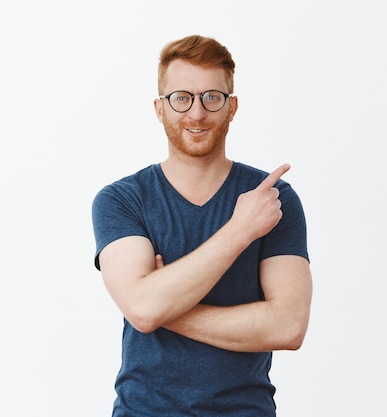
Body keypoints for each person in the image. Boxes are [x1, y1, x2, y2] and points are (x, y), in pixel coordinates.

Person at [91, 34, 312, 417]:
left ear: (232, 107)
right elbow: (143, 309)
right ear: (160, 109)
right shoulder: (122, 200)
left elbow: (288, 327)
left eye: (212, 97)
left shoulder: (272, 199)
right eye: (182, 98)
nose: (196, 113)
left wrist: (165, 309)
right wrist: (240, 229)